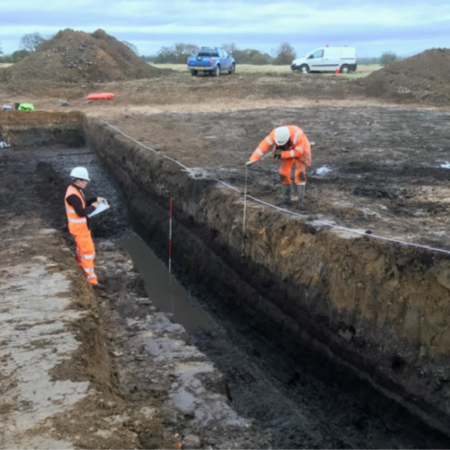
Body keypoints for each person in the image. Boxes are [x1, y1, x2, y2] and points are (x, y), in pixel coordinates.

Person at [246, 126, 311, 206]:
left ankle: (300, 202)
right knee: (283, 172)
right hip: (284, 148)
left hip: (301, 149)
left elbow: (298, 152)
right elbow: (263, 146)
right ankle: (287, 200)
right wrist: (253, 159)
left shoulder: (298, 135)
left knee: (299, 174)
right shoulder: (275, 134)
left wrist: (281, 154)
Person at [65, 167, 106, 289]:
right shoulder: (73, 195)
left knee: (81, 251)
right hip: (79, 229)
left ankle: (81, 270)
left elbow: (82, 203)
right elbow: (81, 212)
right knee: (88, 253)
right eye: (85, 181)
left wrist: (94, 200)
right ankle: (92, 281)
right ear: (78, 180)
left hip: (81, 228)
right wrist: (93, 207)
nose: (86, 183)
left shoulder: (76, 190)